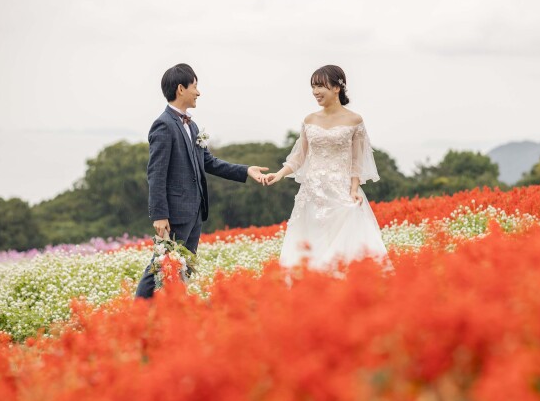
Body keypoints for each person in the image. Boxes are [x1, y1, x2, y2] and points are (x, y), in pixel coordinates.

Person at [135, 63, 269, 298]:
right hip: (174, 214)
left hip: (195, 213)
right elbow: (156, 173)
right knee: (161, 265)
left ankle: (171, 313)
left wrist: (246, 170)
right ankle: (137, 312)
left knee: (182, 268)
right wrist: (159, 214)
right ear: (180, 89)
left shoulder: (192, 125)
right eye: (195, 86)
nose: (199, 92)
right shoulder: (163, 125)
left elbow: (209, 162)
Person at [263, 65, 388, 270]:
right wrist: (279, 174)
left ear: (337, 87)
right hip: (311, 194)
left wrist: (354, 189)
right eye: (313, 87)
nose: (315, 92)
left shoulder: (355, 120)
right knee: (310, 245)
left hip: (341, 192)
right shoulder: (309, 120)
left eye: (320, 86)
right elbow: (299, 157)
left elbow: (356, 161)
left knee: (344, 248)